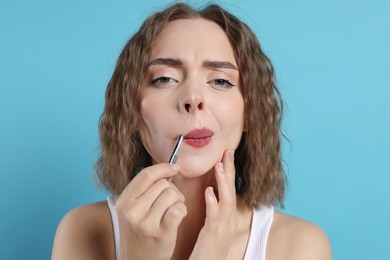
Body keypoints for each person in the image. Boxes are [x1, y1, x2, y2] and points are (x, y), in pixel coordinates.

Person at [52, 2, 331, 259]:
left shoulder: (299, 246)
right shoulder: (83, 231)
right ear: (132, 110)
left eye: (221, 81)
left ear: (250, 111)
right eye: (164, 78)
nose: (193, 98)